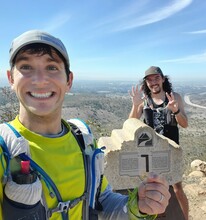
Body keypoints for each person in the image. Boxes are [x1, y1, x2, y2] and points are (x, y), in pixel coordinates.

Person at [0, 30, 171, 220]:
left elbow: (102, 201)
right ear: (11, 79)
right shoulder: (4, 151)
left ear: (69, 80)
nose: (40, 80)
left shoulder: (83, 139)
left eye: (51, 67)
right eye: (26, 67)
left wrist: (138, 207)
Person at [129, 66, 189, 220]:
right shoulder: (144, 100)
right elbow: (130, 124)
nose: (153, 82)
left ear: (163, 79)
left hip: (171, 151)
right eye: (149, 80)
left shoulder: (174, 97)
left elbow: (184, 124)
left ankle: (186, 217)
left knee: (177, 189)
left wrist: (175, 111)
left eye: (156, 78)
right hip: (149, 153)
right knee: (152, 188)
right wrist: (135, 105)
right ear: (146, 83)